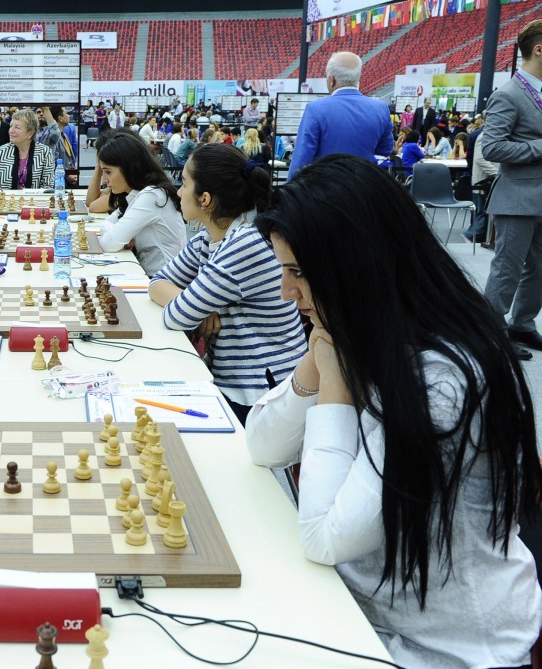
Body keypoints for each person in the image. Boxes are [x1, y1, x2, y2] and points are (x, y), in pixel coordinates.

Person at [244, 154, 542, 669]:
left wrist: (335, 385)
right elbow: (262, 445)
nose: (286, 293)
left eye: (298, 273)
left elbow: (325, 537)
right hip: (363, 612)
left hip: (446, 649)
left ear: (358, 265)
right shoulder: (367, 329)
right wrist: (317, 361)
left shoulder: (443, 378)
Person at [149, 144, 306, 424]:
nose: (179, 192)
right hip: (238, 382)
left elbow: (175, 316)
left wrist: (192, 305)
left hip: (263, 395)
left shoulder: (244, 243)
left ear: (205, 199)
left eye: (184, 183)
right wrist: (198, 305)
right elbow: (157, 283)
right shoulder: (209, 239)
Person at [482, 19, 542, 361]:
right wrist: (538, 148)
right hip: (517, 198)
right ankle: (491, 332)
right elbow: (492, 147)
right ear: (539, 49)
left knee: (539, 270)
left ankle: (522, 324)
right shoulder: (508, 94)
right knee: (507, 269)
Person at [287, 52, 393, 180]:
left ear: (331, 79)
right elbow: (385, 150)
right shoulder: (381, 109)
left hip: (326, 185)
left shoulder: (315, 109)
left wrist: (289, 187)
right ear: (357, 78)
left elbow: (301, 160)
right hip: (364, 185)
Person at [96, 132, 187, 276]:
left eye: (108, 172)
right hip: (151, 274)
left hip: (165, 279)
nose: (104, 180)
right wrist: (120, 234)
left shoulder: (152, 195)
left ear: (128, 168)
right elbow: (106, 224)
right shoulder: (136, 193)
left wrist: (119, 235)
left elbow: (109, 243)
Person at [0, 108, 55, 190]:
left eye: (17, 127)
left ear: (30, 133)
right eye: (11, 126)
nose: (11, 131)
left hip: (34, 198)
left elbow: (48, 185)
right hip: (6, 198)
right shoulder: (1, 151)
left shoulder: (45, 152)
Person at [37, 106, 77, 184]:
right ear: (60, 118)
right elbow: (51, 161)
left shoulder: (64, 135)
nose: (68, 116)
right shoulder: (49, 135)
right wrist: (66, 175)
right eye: (66, 113)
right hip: (56, 182)